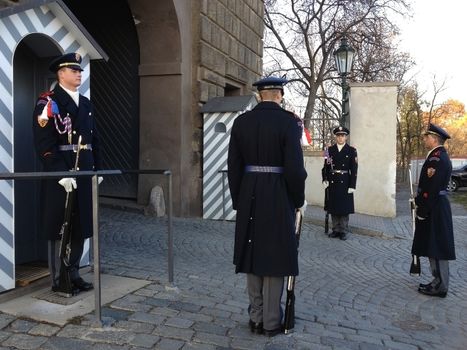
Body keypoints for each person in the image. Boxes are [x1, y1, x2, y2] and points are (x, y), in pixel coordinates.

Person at [227, 76, 307, 337]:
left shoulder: (242, 122)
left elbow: (234, 167)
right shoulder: (288, 123)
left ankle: (256, 317)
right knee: (275, 255)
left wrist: (239, 199)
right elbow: (295, 170)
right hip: (278, 194)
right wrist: (298, 200)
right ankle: (272, 321)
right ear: (280, 95)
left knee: (252, 255)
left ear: (260, 95)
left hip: (249, 192)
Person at [32, 52, 102, 296]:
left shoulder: (86, 103)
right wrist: (60, 172)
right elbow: (44, 143)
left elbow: (94, 139)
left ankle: (74, 273)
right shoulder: (48, 102)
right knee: (59, 226)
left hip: (83, 172)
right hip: (61, 175)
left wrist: (97, 169)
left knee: (81, 225)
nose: (79, 74)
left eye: (80, 70)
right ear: (61, 74)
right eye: (74, 70)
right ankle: (58, 279)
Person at [412, 123, 455, 298]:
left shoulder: (438, 159)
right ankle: (436, 281)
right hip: (434, 205)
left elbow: (433, 187)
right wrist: (418, 201)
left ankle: (441, 285)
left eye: (426, 137)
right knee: (432, 245)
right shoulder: (435, 156)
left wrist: (423, 209)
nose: (424, 140)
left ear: (434, 139)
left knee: (438, 247)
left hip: (436, 206)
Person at [321, 126, 357, 240]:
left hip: (345, 181)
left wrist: (352, 185)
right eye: (338, 135)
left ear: (346, 137)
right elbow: (325, 167)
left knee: (344, 207)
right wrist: (325, 179)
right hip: (332, 181)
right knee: (334, 206)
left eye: (343, 135)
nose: (340, 138)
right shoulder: (329, 150)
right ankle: (335, 229)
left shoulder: (352, 150)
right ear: (336, 137)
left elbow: (354, 169)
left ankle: (343, 230)